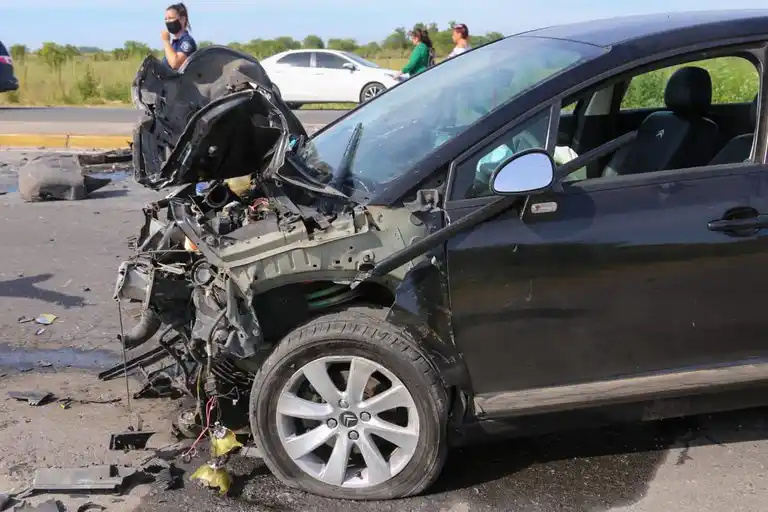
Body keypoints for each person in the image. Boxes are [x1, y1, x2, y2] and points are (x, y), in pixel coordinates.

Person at [161, 3, 197, 70]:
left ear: (182, 19)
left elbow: (175, 63)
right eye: (166, 19)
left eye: (171, 18)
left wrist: (166, 41)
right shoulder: (174, 43)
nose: (168, 22)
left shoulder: (187, 41)